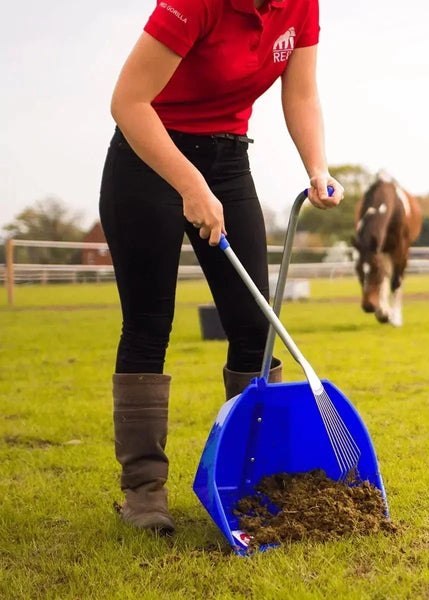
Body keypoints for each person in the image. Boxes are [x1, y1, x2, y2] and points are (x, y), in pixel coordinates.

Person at [99, 0, 344, 535]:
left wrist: (317, 166)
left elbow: (300, 92)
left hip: (229, 159)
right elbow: (128, 101)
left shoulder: (301, 6)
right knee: (148, 325)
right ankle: (144, 492)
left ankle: (253, 476)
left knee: (255, 327)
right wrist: (190, 186)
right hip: (150, 157)